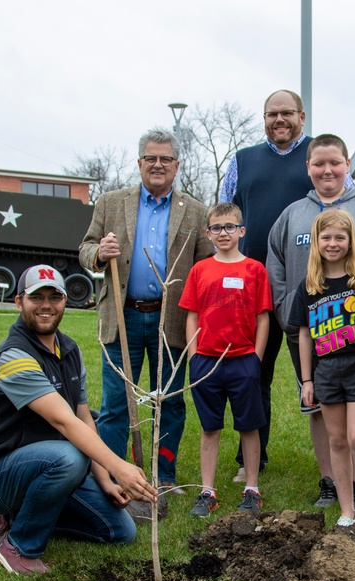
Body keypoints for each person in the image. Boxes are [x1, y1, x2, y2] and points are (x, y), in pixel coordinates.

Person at [0, 265, 158, 575]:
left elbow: (83, 416)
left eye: (55, 297)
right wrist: (118, 467)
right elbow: (66, 423)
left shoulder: (69, 349)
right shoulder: (12, 357)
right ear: (18, 302)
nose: (46, 306)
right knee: (69, 457)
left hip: (46, 465)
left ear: (65, 301)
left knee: (120, 531)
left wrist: (105, 479)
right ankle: (18, 545)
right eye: (36, 297)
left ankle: (20, 513)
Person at [219, 90, 355, 482]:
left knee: (322, 377)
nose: (279, 120)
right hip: (249, 287)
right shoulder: (242, 161)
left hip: (311, 290)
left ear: (302, 116)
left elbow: (349, 203)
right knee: (252, 374)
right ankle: (251, 458)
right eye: (271, 114)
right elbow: (225, 213)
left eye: (287, 113)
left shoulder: (321, 157)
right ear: (264, 118)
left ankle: (336, 469)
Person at [79, 128, 213, 494]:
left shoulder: (195, 212)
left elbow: (204, 269)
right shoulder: (110, 203)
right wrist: (98, 254)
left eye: (165, 159)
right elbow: (86, 249)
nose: (158, 165)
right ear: (139, 163)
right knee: (115, 403)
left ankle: (164, 475)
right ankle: (110, 476)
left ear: (176, 165)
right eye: (150, 158)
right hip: (122, 317)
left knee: (168, 401)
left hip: (170, 321)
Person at [267, 133, 355, 508]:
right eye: (318, 163)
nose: (326, 170)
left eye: (334, 163)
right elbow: (275, 262)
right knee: (318, 403)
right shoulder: (293, 214)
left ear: (347, 165)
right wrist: (285, 309)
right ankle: (330, 480)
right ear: (308, 167)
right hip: (310, 331)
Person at [178, 202, 272, 517]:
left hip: (243, 359)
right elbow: (191, 316)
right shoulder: (200, 270)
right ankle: (207, 491)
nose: (223, 233)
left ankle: (252, 489)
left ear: (241, 231)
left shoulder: (255, 269)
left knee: (249, 425)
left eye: (230, 226)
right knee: (210, 428)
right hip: (206, 361)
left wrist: (255, 359)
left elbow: (262, 318)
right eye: (217, 227)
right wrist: (194, 356)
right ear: (208, 233)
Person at [290, 209, 355, 527]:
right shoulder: (308, 287)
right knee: (337, 441)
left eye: (339, 237)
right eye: (326, 237)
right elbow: (303, 335)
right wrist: (306, 380)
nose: (332, 243)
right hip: (326, 372)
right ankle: (347, 511)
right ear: (316, 242)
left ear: (350, 241)